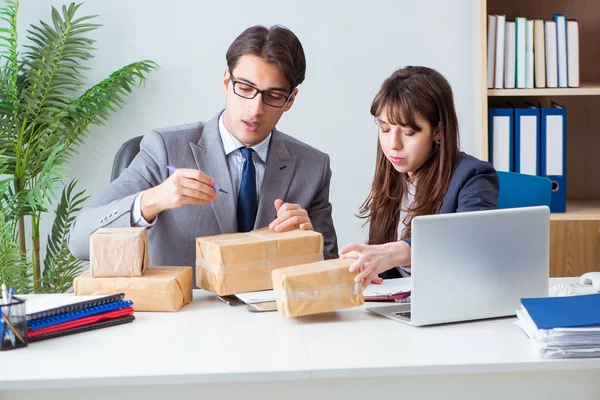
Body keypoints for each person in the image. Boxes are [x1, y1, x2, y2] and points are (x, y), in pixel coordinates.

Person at [68, 25, 338, 270]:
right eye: (245, 88)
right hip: (185, 315)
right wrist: (154, 199)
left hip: (273, 318)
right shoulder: (164, 148)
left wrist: (308, 239)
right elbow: (79, 240)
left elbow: (330, 271)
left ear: (290, 100)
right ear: (225, 83)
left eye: (274, 96)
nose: (255, 109)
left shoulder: (312, 166)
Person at [340, 66, 498, 288]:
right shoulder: (394, 175)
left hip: (449, 304)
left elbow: (471, 242)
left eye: (408, 133)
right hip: (395, 307)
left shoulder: (473, 176)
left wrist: (399, 251)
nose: (393, 144)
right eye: (385, 129)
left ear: (437, 130)